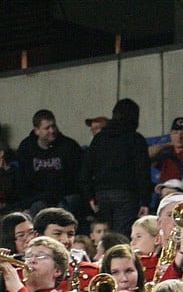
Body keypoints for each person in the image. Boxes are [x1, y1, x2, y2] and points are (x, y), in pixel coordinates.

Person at [81, 97, 152, 235]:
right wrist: (145, 201)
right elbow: (142, 172)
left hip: (101, 195)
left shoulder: (99, 139)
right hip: (127, 196)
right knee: (121, 238)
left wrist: (90, 196)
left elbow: (86, 171)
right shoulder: (136, 139)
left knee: (104, 238)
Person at [16, 109, 84, 216]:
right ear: (37, 130)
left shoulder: (69, 146)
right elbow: (21, 179)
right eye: (47, 128)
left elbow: (78, 176)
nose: (52, 131)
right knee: (36, 209)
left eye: (53, 126)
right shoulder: (26, 148)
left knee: (63, 211)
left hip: (65, 196)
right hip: (37, 198)